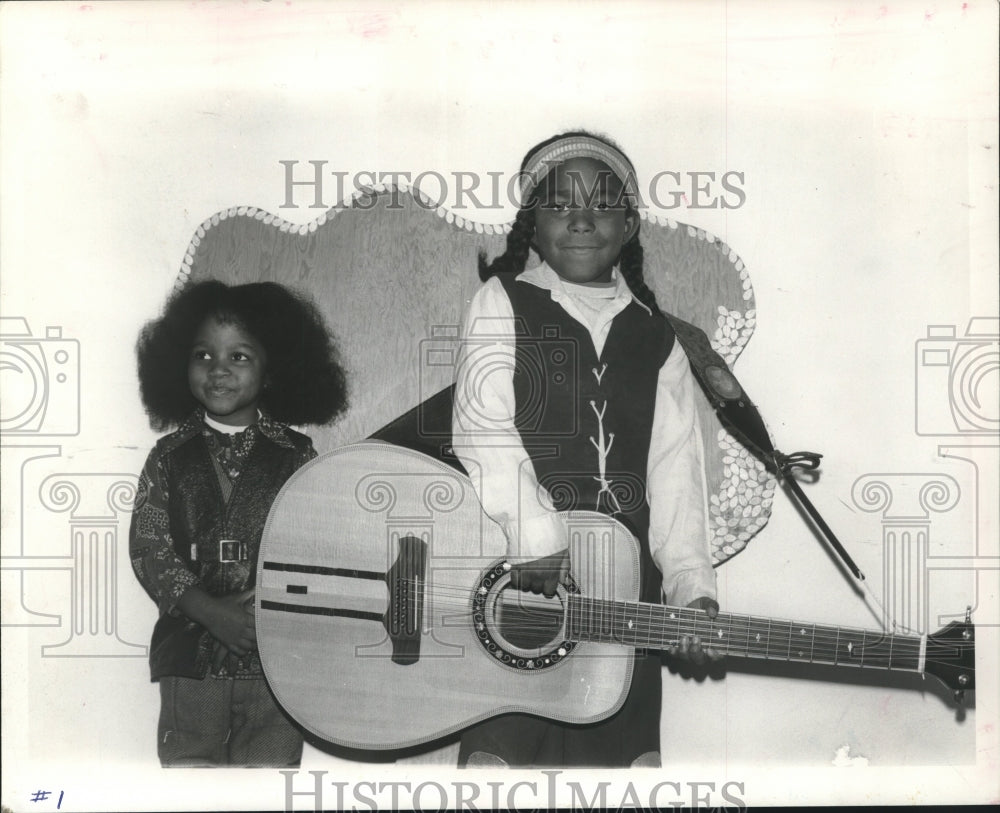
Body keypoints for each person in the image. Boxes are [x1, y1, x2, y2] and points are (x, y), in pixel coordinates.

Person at [450, 131, 722, 768]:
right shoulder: (500, 302)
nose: (580, 218)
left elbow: (676, 474)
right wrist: (534, 532)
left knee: (613, 774)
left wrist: (690, 588)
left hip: (624, 596)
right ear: (533, 226)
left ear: (628, 225)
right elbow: (481, 426)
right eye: (559, 204)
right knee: (504, 769)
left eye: (602, 204)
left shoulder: (661, 339)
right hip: (517, 582)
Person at [129, 280, 348, 767]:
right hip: (190, 662)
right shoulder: (168, 456)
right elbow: (149, 549)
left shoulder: (297, 456)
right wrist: (210, 612)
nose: (219, 370)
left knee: (269, 781)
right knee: (192, 781)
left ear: (273, 371)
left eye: (239, 357)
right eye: (203, 355)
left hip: (276, 664)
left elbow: (314, 551)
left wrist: (253, 617)